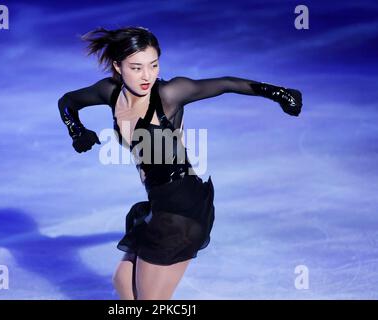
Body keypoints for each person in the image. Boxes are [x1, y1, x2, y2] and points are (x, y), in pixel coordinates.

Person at [57, 26, 302, 300]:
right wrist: (76, 131)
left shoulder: (169, 94)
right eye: (136, 68)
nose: (147, 75)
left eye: (153, 65)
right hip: (159, 202)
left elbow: (225, 84)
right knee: (123, 283)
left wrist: (279, 93)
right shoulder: (110, 92)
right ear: (118, 66)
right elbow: (67, 102)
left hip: (183, 206)